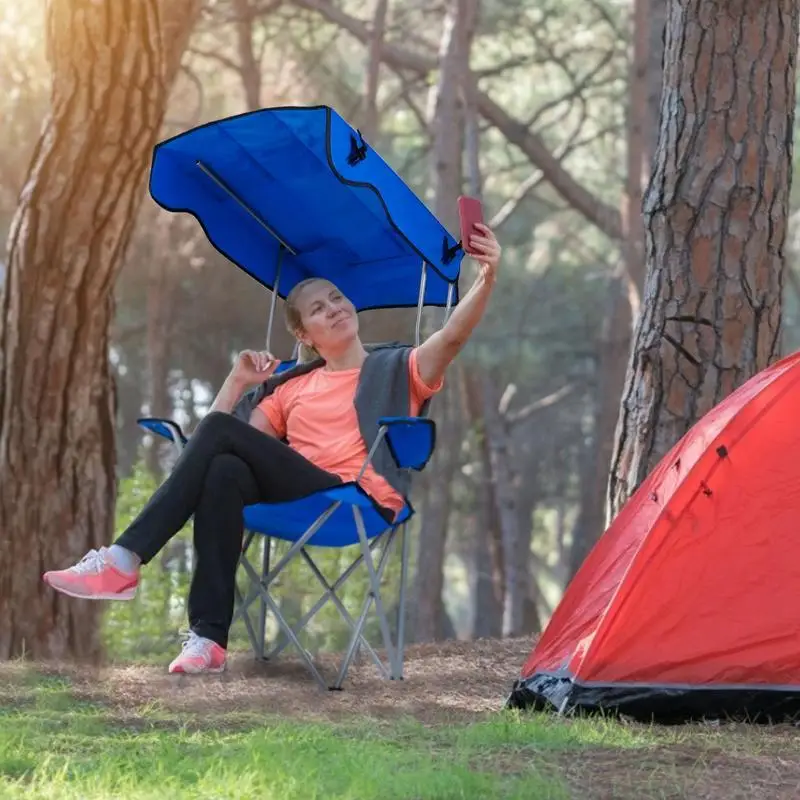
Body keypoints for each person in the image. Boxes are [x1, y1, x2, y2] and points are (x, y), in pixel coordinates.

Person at [43, 223, 502, 674]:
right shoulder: (289, 388)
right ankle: (208, 638)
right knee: (222, 468)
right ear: (305, 335)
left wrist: (486, 278)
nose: (334, 308)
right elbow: (212, 445)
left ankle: (124, 559)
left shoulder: (399, 365)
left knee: (222, 441)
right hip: (296, 491)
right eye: (319, 309)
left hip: (356, 495)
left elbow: (452, 338)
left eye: (337, 298)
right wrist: (238, 381)